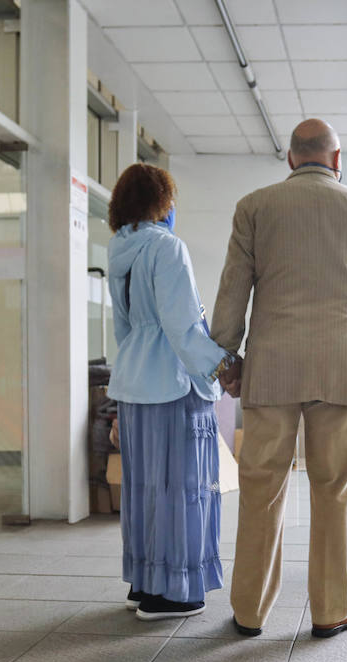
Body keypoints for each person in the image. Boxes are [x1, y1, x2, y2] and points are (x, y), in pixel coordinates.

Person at [211, 119, 347, 639]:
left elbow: (232, 293)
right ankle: (330, 609)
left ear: (290, 159)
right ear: (337, 160)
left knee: (261, 489)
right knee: (333, 491)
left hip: (272, 368)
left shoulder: (255, 207)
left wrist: (227, 360)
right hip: (342, 366)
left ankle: (249, 611)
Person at [107, 163, 234, 620]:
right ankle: (176, 592)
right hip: (174, 388)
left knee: (144, 489)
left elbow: (124, 329)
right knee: (185, 488)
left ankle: (146, 582)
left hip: (134, 384)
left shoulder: (119, 250)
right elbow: (183, 329)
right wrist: (224, 366)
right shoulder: (168, 248)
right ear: (162, 201)